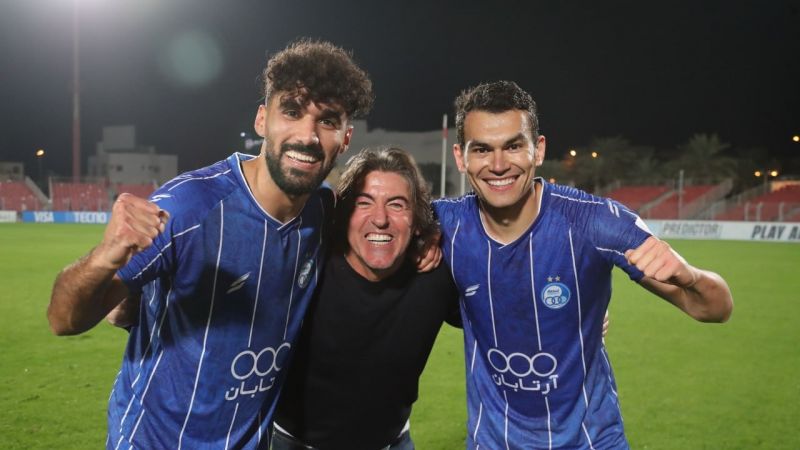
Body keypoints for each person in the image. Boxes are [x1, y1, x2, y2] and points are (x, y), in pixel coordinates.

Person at [46, 39, 374, 449]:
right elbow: (64, 320)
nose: (307, 136)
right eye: (291, 112)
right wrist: (104, 257)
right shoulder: (189, 206)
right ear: (262, 120)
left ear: (345, 138)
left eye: (327, 121)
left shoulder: (324, 211)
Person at [432, 80, 733, 449]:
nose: (498, 165)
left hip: (591, 440)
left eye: (513, 146)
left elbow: (715, 309)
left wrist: (690, 277)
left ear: (538, 150)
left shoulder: (594, 221)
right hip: (493, 442)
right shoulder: (444, 225)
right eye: (482, 149)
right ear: (461, 157)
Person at [270, 147, 460, 450]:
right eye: (364, 203)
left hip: (392, 442)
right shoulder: (308, 266)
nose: (380, 219)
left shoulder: (436, 275)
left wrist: (437, 229)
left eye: (397, 204)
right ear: (344, 215)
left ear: (416, 221)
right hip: (294, 443)